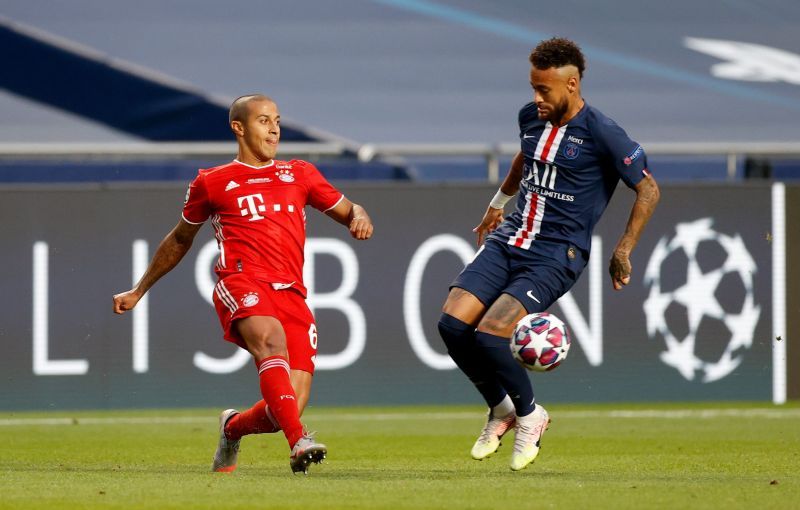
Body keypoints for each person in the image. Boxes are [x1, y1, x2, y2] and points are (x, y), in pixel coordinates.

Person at [112, 94, 373, 475]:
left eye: (278, 120)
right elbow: (181, 238)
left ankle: (232, 428)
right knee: (270, 343)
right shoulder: (212, 181)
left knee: (286, 407)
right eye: (264, 120)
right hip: (242, 280)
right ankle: (299, 441)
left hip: (292, 292)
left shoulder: (299, 173)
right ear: (239, 127)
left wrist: (359, 218)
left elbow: (351, 209)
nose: (275, 128)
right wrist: (139, 289)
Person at [438, 38, 660, 471]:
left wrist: (624, 248)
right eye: (533, 88)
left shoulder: (603, 133)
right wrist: (497, 206)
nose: (536, 98)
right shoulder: (530, 118)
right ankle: (503, 409)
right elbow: (526, 158)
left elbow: (648, 188)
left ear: (572, 85)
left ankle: (531, 415)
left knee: (491, 333)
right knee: (451, 325)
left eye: (545, 90)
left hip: (557, 253)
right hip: (511, 238)